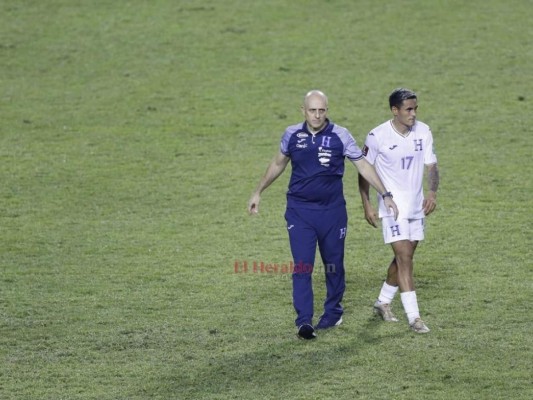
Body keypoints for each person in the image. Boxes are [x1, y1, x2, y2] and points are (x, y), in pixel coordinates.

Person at [248, 90, 398, 340]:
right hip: (300, 212)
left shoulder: (341, 135)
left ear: (327, 110)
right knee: (302, 266)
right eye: (312, 110)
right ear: (303, 110)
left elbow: (362, 165)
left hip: (332, 212)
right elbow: (277, 163)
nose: (317, 115)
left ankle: (333, 311)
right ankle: (304, 321)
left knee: (334, 264)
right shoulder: (292, 135)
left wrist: (386, 194)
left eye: (321, 110)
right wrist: (258, 191)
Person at [358, 88, 440, 333]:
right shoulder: (377, 136)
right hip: (391, 207)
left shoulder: (423, 131)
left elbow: (432, 165)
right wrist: (367, 204)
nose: (413, 114)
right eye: (408, 109)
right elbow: (363, 170)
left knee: (405, 256)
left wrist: (432, 192)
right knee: (404, 258)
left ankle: (383, 301)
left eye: (415, 109)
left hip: (416, 206)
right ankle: (415, 318)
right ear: (395, 110)